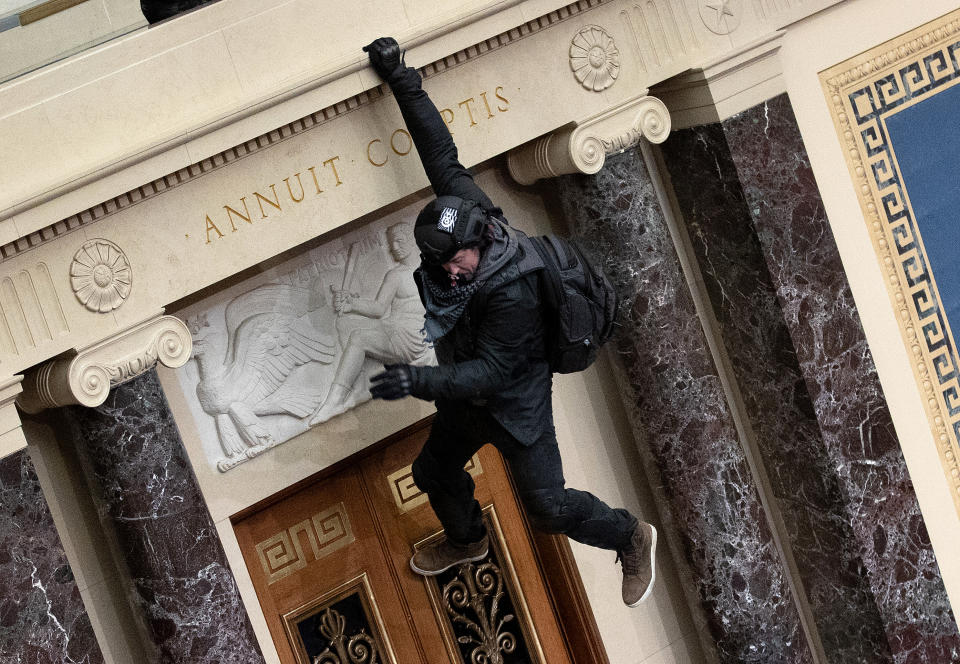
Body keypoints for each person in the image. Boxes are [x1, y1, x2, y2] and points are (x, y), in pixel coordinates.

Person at [363, 37, 657, 607]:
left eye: (456, 261)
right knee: (432, 472)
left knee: (547, 508)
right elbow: (440, 155)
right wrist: (402, 79)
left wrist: (415, 381)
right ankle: (467, 540)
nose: (449, 273)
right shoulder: (468, 211)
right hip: (465, 401)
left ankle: (629, 535)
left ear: (479, 242)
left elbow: (490, 373)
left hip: (514, 403)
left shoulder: (512, 290)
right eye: (438, 264)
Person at [309, 221, 432, 425]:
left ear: (412, 240)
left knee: (359, 337)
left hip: (414, 335)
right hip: (393, 328)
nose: (395, 247)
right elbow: (379, 308)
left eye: (399, 241)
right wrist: (350, 304)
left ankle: (335, 401)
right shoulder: (395, 275)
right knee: (344, 323)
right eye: (392, 244)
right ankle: (355, 386)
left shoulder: (432, 268)